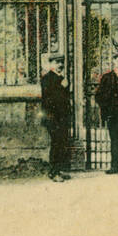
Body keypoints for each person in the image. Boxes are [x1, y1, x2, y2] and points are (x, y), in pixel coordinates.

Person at [40, 49, 71, 182]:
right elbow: (50, 99)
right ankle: (54, 172)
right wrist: (62, 86)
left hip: (62, 117)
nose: (60, 65)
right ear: (51, 63)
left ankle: (58, 170)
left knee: (61, 143)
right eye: (57, 62)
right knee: (56, 144)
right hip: (53, 117)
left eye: (61, 62)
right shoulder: (48, 78)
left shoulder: (60, 78)